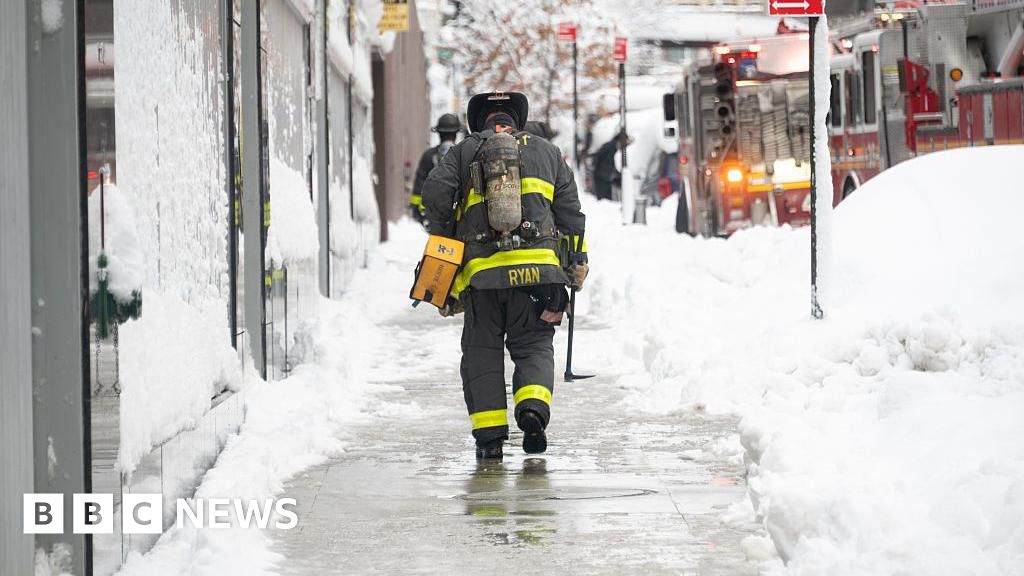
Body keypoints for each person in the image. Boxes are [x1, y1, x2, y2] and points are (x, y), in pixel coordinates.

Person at [422, 91, 589, 460]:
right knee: (533, 347)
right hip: (540, 278)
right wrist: (576, 261)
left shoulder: (464, 151)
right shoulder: (548, 153)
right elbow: (572, 216)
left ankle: (490, 438)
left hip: (483, 277)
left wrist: (445, 230)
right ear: (519, 118)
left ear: (477, 120)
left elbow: (434, 192)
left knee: (481, 353)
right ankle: (532, 410)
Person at [410, 113, 461, 224]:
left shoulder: (428, 156)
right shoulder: (463, 155)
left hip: (434, 216)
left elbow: (419, 183)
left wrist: (417, 211)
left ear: (439, 133)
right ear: (456, 133)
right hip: (459, 217)